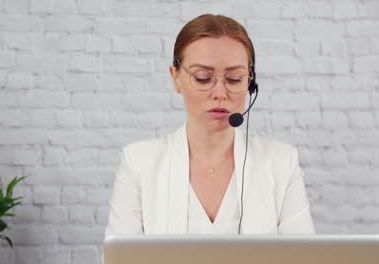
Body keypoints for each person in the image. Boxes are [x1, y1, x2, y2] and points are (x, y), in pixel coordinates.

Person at [105, 14, 314, 235]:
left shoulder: (281, 163)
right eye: (203, 77)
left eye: (234, 78)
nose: (220, 94)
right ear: (176, 78)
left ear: (250, 82)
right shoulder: (138, 162)